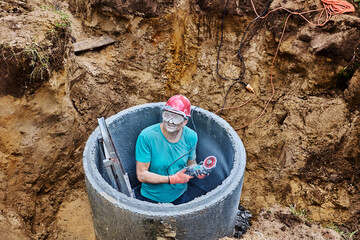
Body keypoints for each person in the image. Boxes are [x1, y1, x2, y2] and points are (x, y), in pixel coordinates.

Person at [135, 95, 206, 204]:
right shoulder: (147, 137)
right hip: (151, 199)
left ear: (185, 121)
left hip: (181, 195)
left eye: (177, 117)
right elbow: (142, 174)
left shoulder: (191, 136)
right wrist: (171, 179)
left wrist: (197, 170)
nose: (171, 121)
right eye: (167, 115)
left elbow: (191, 162)